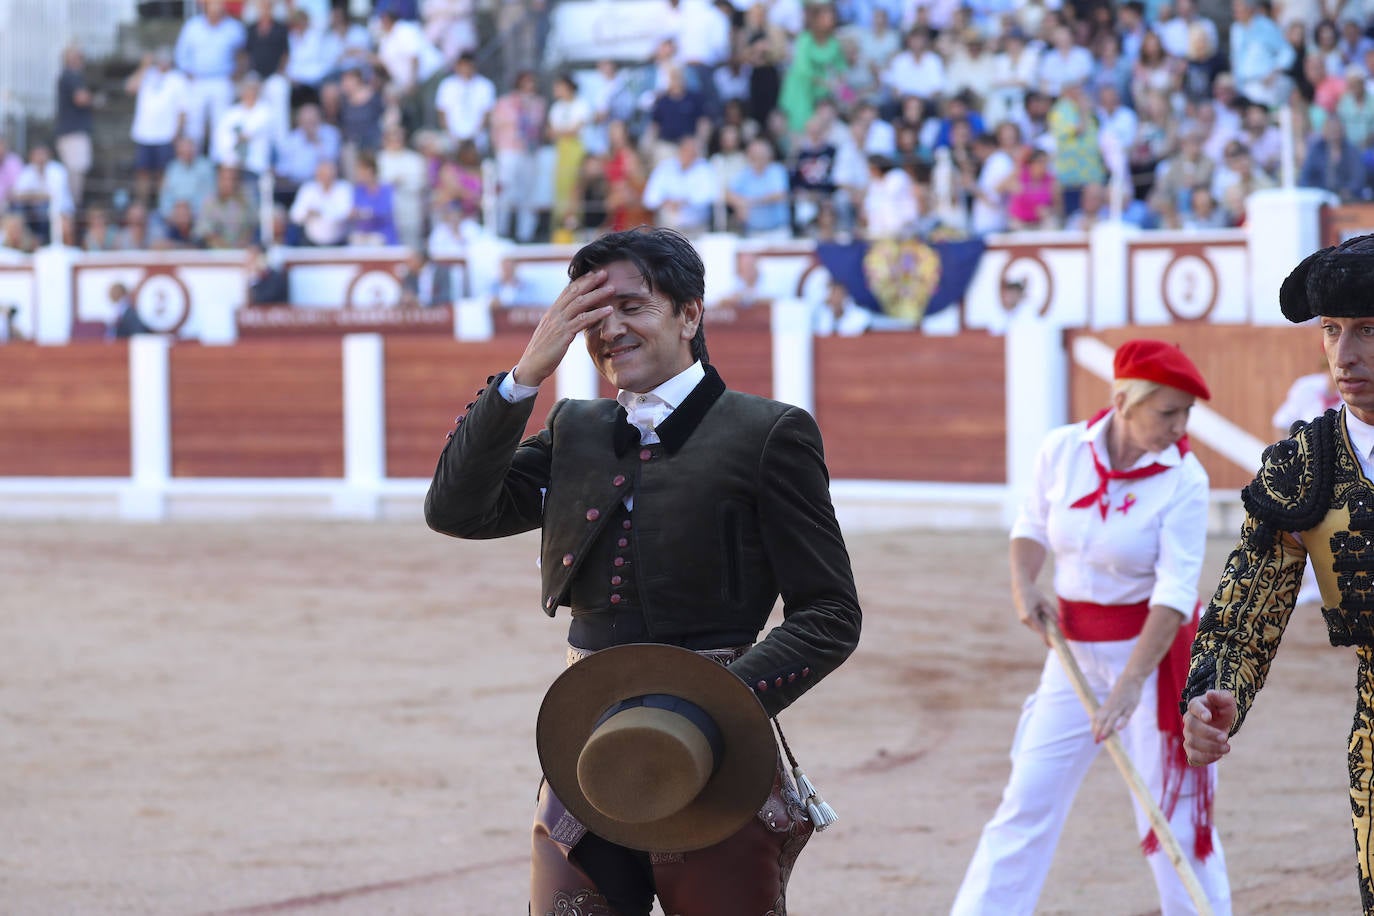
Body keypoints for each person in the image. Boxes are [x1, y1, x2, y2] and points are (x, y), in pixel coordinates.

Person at [424, 226, 861, 915]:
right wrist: (526, 373)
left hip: (714, 749)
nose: (610, 329)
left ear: (690, 314)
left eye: (634, 306)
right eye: (593, 314)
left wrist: (712, 706)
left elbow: (831, 615)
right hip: (587, 749)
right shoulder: (577, 430)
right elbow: (456, 509)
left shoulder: (768, 434)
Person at [952, 339, 1233, 916]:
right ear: (1125, 401)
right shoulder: (1062, 450)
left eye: (1186, 414)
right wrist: (1024, 585)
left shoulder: (1185, 478)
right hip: (1073, 656)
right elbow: (1030, 525)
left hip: (1153, 663)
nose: (1180, 428)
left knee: (1172, 818)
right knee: (1026, 802)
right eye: (1168, 413)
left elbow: (1175, 593)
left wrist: (1131, 683)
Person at [1183, 235, 1374, 914]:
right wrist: (1214, 696)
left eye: (1369, 330)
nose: (1344, 355)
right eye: (1332, 330)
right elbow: (1243, 617)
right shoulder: (1304, 466)